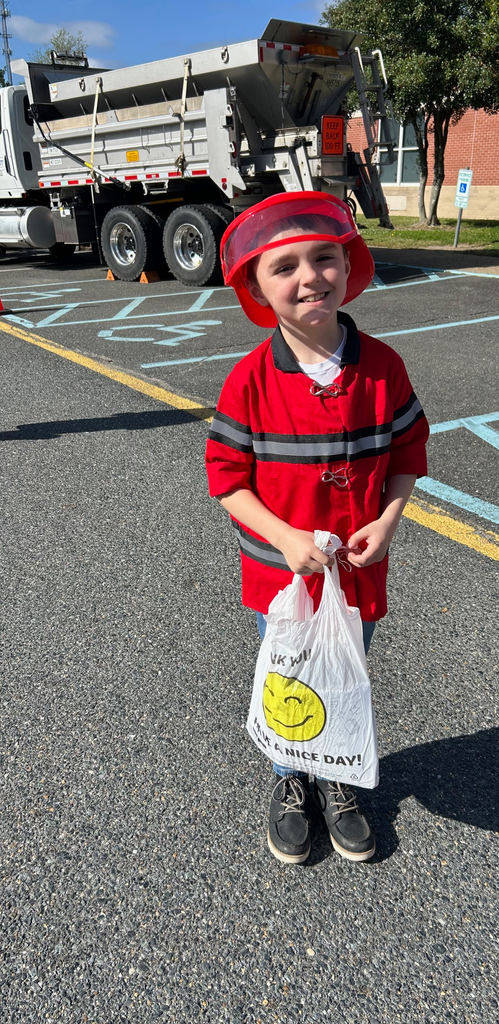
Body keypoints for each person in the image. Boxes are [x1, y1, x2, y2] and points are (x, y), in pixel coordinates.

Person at [205, 192, 429, 865]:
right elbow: (227, 479)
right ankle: (289, 778)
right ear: (254, 287)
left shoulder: (382, 368)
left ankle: (337, 776)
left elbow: (408, 453)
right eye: (285, 267)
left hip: (356, 574)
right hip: (279, 577)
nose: (309, 277)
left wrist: (388, 519)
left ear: (348, 264)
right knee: (289, 679)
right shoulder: (248, 381)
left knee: (344, 673)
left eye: (324, 258)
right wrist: (284, 537)